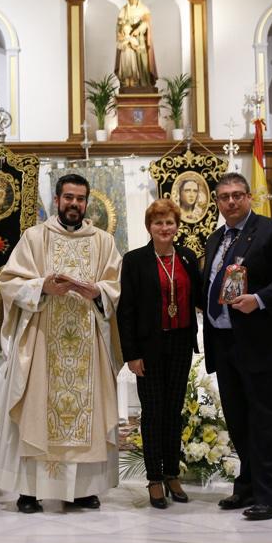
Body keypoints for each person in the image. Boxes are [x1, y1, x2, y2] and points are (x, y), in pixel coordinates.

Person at [0, 173, 122, 514]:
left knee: (85, 416)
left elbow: (116, 286)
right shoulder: (35, 238)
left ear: (87, 202)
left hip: (87, 345)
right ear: (57, 200)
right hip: (42, 342)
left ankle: (82, 490)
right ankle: (30, 491)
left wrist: (98, 292)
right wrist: (42, 287)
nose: (74, 205)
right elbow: (8, 281)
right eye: (68, 198)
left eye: (80, 199)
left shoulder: (103, 242)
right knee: (36, 412)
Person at [202, 172, 272, 521]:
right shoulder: (216, 238)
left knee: (266, 419)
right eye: (224, 197)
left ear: (249, 197)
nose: (231, 202)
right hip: (225, 341)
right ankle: (247, 486)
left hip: (261, 341)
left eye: (237, 195)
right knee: (238, 419)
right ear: (216, 203)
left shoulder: (271, 229)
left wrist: (260, 299)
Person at [117, 199, 201, 509]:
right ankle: (154, 478)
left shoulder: (189, 258)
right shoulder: (135, 260)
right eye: (159, 223)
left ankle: (172, 473)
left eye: (170, 223)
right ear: (149, 227)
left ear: (177, 226)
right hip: (148, 349)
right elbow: (125, 311)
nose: (165, 228)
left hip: (180, 343)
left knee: (173, 411)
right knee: (152, 413)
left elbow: (202, 296)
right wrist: (132, 354)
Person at [115, 0, 158, 90]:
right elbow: (119, 25)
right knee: (127, 62)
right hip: (127, 38)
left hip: (139, 38)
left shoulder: (144, 9)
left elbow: (146, 23)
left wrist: (138, 30)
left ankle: (144, 82)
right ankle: (128, 83)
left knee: (142, 60)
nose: (133, 1)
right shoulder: (124, 9)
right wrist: (123, 30)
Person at [116, 20, 142, 88]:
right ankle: (126, 84)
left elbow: (137, 47)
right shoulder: (122, 39)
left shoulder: (132, 38)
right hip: (124, 54)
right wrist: (125, 43)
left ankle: (132, 84)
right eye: (125, 29)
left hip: (131, 54)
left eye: (128, 29)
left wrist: (132, 45)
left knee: (132, 67)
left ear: (130, 29)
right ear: (123, 30)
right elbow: (120, 47)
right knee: (126, 68)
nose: (127, 30)